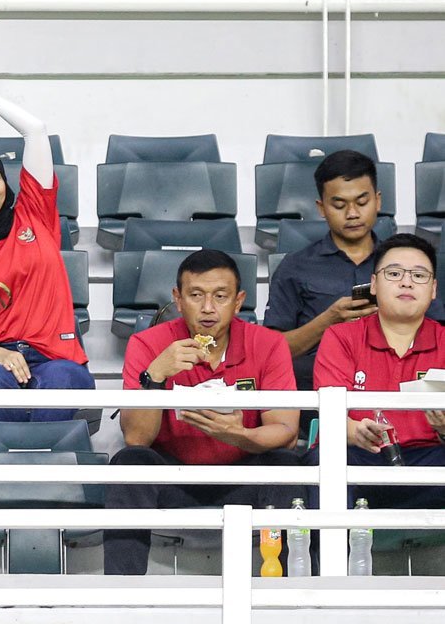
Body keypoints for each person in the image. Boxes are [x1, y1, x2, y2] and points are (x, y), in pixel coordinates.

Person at [104, 249, 302, 575]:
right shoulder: (148, 344)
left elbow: (285, 430)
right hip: (176, 475)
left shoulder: (268, 344)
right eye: (196, 295)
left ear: (238, 301)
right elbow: (137, 437)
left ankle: (288, 589)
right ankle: (123, 590)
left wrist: (239, 435)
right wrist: (155, 376)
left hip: (243, 470)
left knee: (287, 464)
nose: (208, 308)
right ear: (178, 299)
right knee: (130, 463)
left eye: (220, 297)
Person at [0, 85, 94, 422]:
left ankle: (42, 471)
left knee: (60, 381)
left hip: (56, 355)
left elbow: (35, 130)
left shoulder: (34, 213)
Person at [265, 150, 445, 394]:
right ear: (321, 207)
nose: (352, 213)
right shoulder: (295, 267)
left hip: (401, 390)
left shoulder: (404, 265)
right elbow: (270, 352)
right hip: (315, 394)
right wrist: (328, 321)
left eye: (362, 202)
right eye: (339, 204)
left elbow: (437, 334)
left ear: (378, 200)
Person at [311, 233, 445, 509]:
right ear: (373, 284)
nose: (406, 281)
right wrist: (356, 431)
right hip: (362, 455)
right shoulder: (341, 337)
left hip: (430, 458)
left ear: (433, 289)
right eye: (394, 273)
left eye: (419, 276)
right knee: (324, 460)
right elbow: (331, 415)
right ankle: (326, 554)